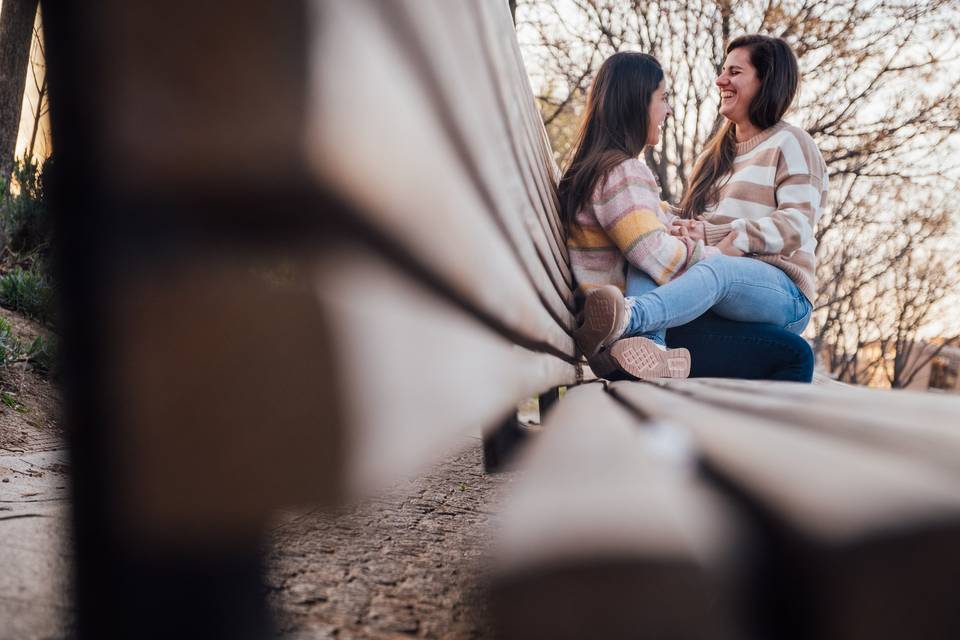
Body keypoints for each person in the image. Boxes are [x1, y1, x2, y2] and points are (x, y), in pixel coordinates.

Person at [561, 37, 826, 381]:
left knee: (718, 268)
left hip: (778, 289)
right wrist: (678, 225)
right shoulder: (713, 158)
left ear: (766, 81)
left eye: (735, 71)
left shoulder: (790, 143)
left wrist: (727, 240)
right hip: (715, 283)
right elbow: (690, 225)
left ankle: (629, 320)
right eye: (721, 71)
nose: (720, 80)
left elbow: (797, 225)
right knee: (660, 255)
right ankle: (647, 347)